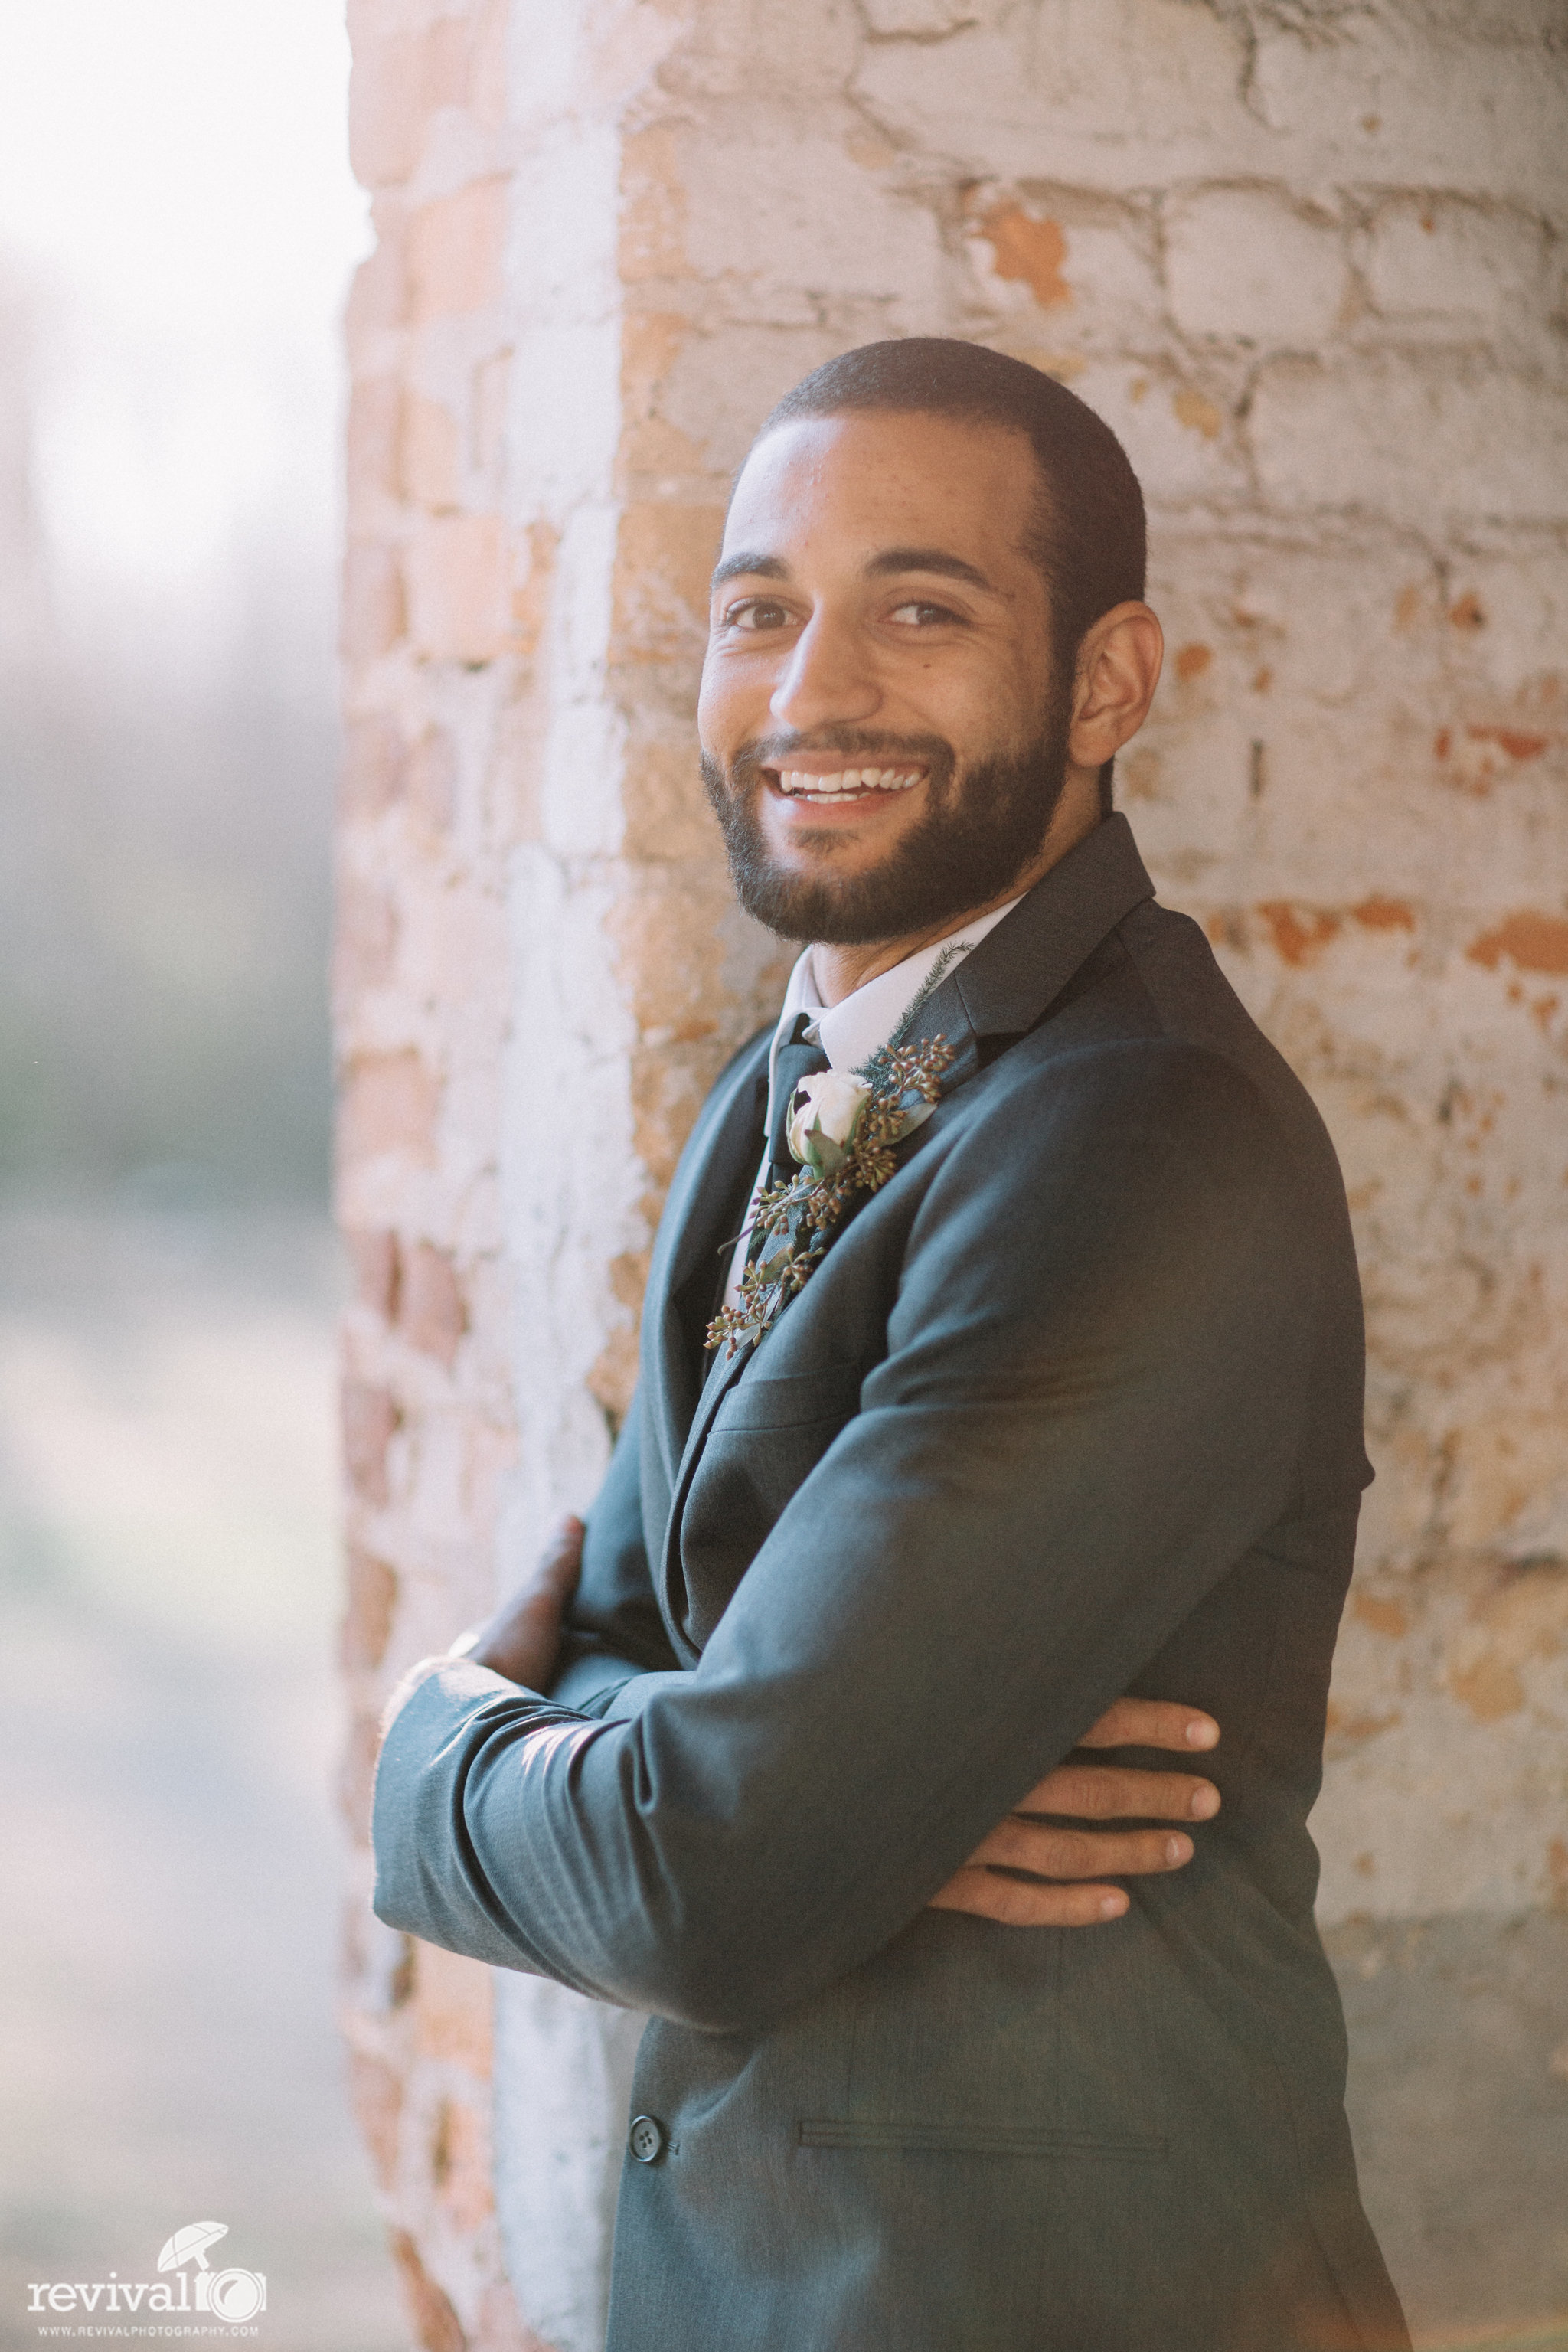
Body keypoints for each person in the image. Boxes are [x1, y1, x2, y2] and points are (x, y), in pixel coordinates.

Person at [372, 339, 1410, 2350]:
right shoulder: (786, 1087)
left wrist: (445, 1759)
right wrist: (815, 1781)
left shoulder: (1136, 1134)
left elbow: (715, 1874)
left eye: (918, 610)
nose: (809, 691)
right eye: (761, 612)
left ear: (1108, 682)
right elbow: (646, 1673)